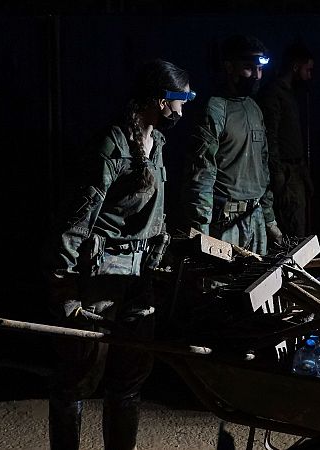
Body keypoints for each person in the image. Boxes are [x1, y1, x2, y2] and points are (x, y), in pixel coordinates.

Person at [44, 59, 194, 450]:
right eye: (182, 99)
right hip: (101, 277)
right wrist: (65, 286)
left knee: (130, 377)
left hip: (138, 277)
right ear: (163, 101)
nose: (184, 108)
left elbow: (155, 216)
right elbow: (76, 219)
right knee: (79, 375)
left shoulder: (157, 143)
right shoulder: (111, 144)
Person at [182, 34, 283, 255]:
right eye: (249, 68)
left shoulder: (254, 109)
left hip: (255, 218)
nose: (256, 76)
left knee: (258, 285)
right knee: (222, 286)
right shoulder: (215, 108)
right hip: (225, 220)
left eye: (259, 69)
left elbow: (263, 168)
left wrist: (269, 220)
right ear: (229, 67)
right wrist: (201, 229)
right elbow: (202, 172)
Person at [257, 41, 315, 238]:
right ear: (296, 66)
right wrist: (279, 176)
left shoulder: (290, 94)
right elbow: (270, 137)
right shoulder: (274, 94)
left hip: (295, 171)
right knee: (293, 230)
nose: (310, 76)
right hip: (285, 173)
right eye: (308, 69)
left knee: (301, 227)